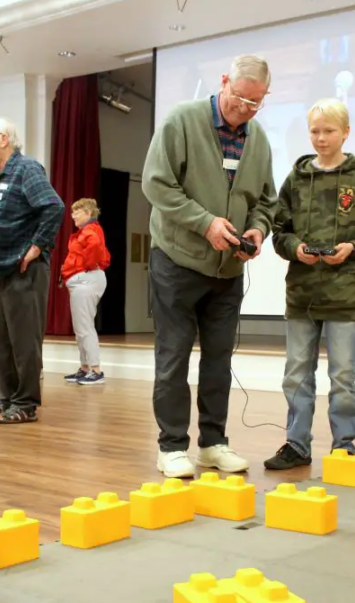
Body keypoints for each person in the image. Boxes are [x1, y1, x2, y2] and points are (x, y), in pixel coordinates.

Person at [141, 54, 277, 478]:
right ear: (223, 82)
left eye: (256, 102)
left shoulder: (259, 139)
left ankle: (214, 443)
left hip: (227, 271)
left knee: (219, 361)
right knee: (173, 357)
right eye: (240, 98)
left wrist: (256, 231)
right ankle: (172, 446)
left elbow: (266, 202)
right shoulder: (181, 121)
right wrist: (205, 224)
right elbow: (156, 183)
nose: (246, 109)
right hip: (177, 262)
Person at [263, 98, 355, 470]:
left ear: (346, 133)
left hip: (344, 296)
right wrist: (295, 249)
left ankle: (344, 447)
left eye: (329, 131)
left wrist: (352, 248)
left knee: (342, 377)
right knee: (296, 374)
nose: (320, 138)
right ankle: (297, 445)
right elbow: (278, 232)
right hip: (301, 295)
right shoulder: (296, 178)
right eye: (315, 131)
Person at [0, 118, 64, 424]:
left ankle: (25, 403)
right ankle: (9, 398)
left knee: (24, 341)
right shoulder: (1, 177)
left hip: (24, 271)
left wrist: (37, 246)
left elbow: (54, 207)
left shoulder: (26, 168)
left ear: (3, 138)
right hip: (0, 273)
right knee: (2, 340)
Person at [60, 198, 110, 385]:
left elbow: (95, 247)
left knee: (85, 327)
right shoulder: (87, 231)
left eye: (77, 212)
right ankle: (85, 368)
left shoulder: (91, 230)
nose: (73, 215)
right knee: (81, 328)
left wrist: (86, 267)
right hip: (83, 281)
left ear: (89, 213)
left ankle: (96, 370)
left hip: (86, 281)